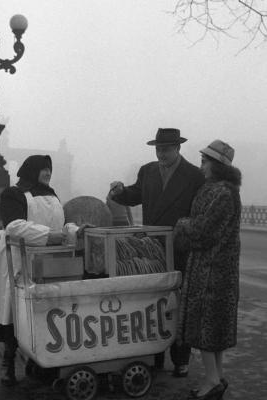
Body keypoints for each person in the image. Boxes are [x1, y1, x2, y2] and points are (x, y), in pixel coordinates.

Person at [108, 128, 205, 377]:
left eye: (166, 149)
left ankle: (181, 359)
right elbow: (134, 194)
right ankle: (155, 355)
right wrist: (120, 192)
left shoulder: (194, 175)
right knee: (152, 305)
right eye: (158, 149)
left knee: (178, 305)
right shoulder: (148, 171)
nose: (160, 153)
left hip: (180, 249)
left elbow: (200, 213)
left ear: (178, 148)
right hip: (151, 250)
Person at [0, 155, 81, 386]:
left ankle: (39, 363)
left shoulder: (52, 194)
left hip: (48, 263)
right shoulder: (13, 194)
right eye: (43, 169)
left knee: (45, 315)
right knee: (14, 314)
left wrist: (75, 230)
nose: (48, 173)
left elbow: (62, 225)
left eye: (50, 169)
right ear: (31, 170)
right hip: (18, 261)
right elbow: (13, 226)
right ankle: (8, 363)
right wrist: (48, 236)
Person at [173, 140, 241, 399]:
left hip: (211, 273)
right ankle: (218, 377)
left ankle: (211, 380)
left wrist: (181, 225)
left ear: (217, 166)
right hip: (217, 270)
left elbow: (203, 231)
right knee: (215, 330)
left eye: (204, 162)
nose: (201, 167)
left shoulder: (220, 193)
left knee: (204, 328)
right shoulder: (225, 190)